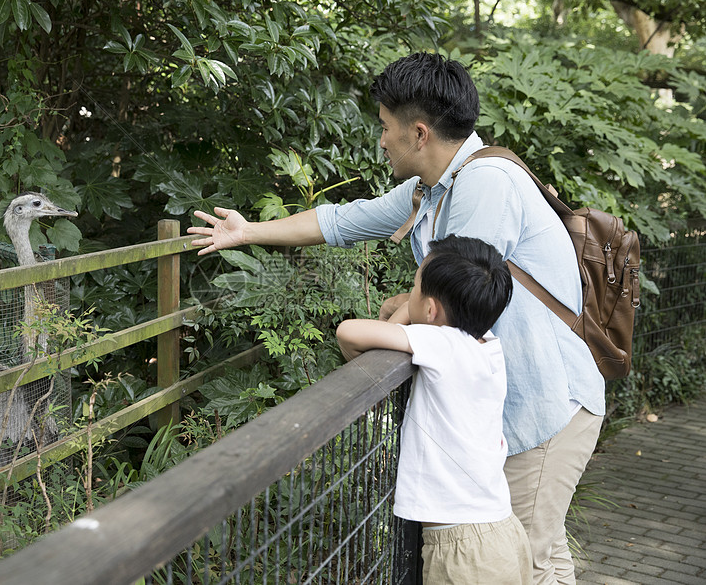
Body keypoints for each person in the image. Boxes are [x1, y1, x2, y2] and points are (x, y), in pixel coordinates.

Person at [188, 51, 605, 584]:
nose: (381, 140)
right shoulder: (431, 190)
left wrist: (400, 310)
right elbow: (346, 219)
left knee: (533, 564)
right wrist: (247, 232)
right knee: (540, 557)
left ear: (420, 133)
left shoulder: (485, 184)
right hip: (518, 406)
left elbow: (452, 297)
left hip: (547, 408)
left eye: (386, 127)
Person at [337, 234, 530, 584]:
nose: (408, 293)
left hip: (465, 552)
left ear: (430, 310)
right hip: (498, 531)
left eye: (413, 286)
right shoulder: (486, 345)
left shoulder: (443, 343)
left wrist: (401, 316)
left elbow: (348, 332)